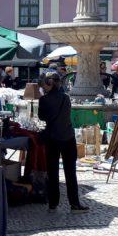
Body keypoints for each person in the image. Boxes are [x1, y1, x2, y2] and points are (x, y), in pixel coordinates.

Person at [38, 71, 88, 213]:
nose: (43, 87)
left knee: (53, 172)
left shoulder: (44, 100)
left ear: (49, 84)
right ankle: (75, 203)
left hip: (53, 138)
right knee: (70, 172)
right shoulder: (66, 98)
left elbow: (42, 117)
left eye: (44, 84)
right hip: (68, 137)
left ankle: (53, 203)